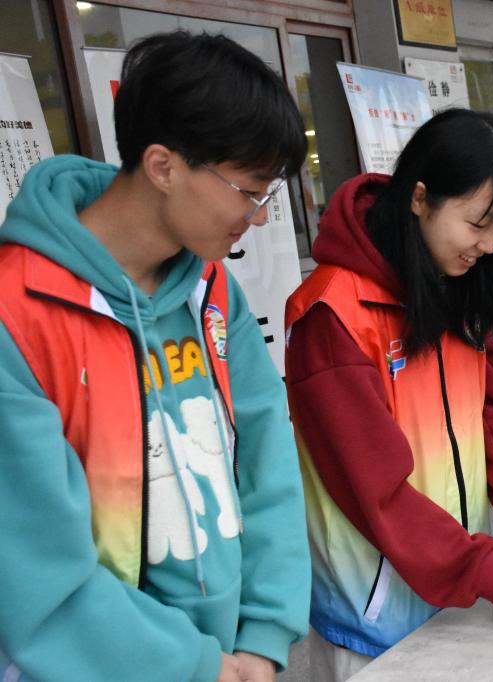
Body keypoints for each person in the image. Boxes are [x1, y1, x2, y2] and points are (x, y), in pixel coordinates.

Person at [0, 31, 311, 682]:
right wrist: (196, 666)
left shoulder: (212, 290)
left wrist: (263, 635)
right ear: (164, 166)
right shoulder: (17, 312)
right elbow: (36, 569)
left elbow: (267, 464)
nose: (258, 217)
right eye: (248, 191)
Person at [284, 108, 493, 680]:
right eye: (478, 223)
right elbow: (373, 486)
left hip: (460, 597)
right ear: (420, 198)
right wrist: (477, 566)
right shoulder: (332, 314)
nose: (490, 245)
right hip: (372, 620)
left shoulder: (456, 288)